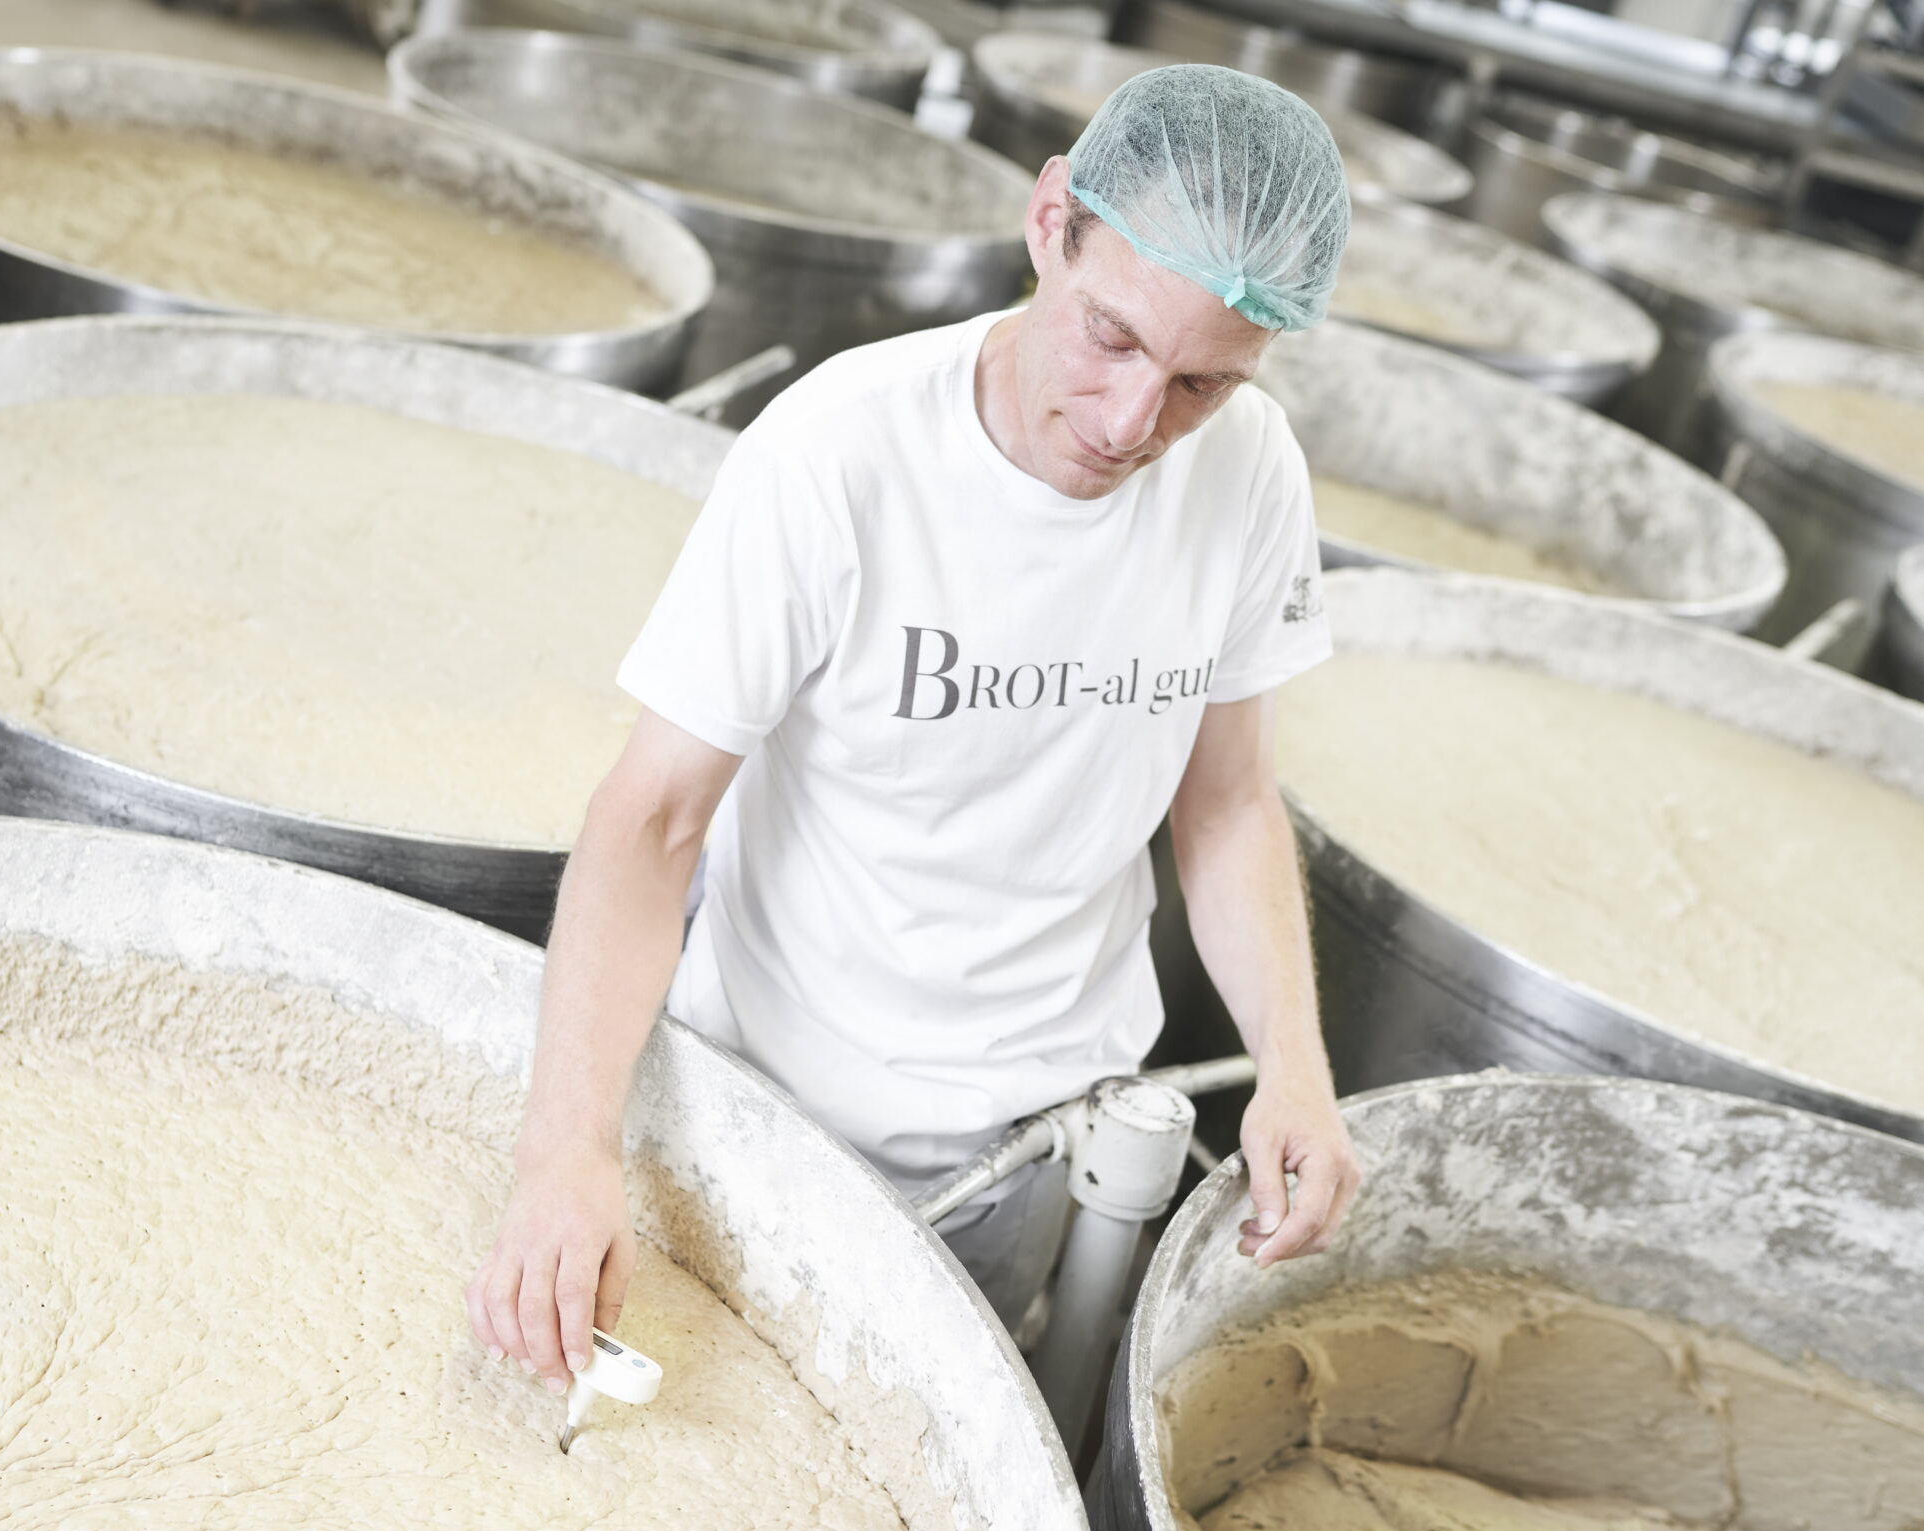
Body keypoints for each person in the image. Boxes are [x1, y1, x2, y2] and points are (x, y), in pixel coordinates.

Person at [467, 65, 1362, 1395]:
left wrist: (1294, 1067)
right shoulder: (839, 455)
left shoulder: (1251, 472)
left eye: (1200, 385)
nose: (1131, 424)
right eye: (1112, 338)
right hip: (755, 1117)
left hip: (1035, 1151)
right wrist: (567, 1150)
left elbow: (1226, 802)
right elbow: (652, 817)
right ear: (1050, 221)